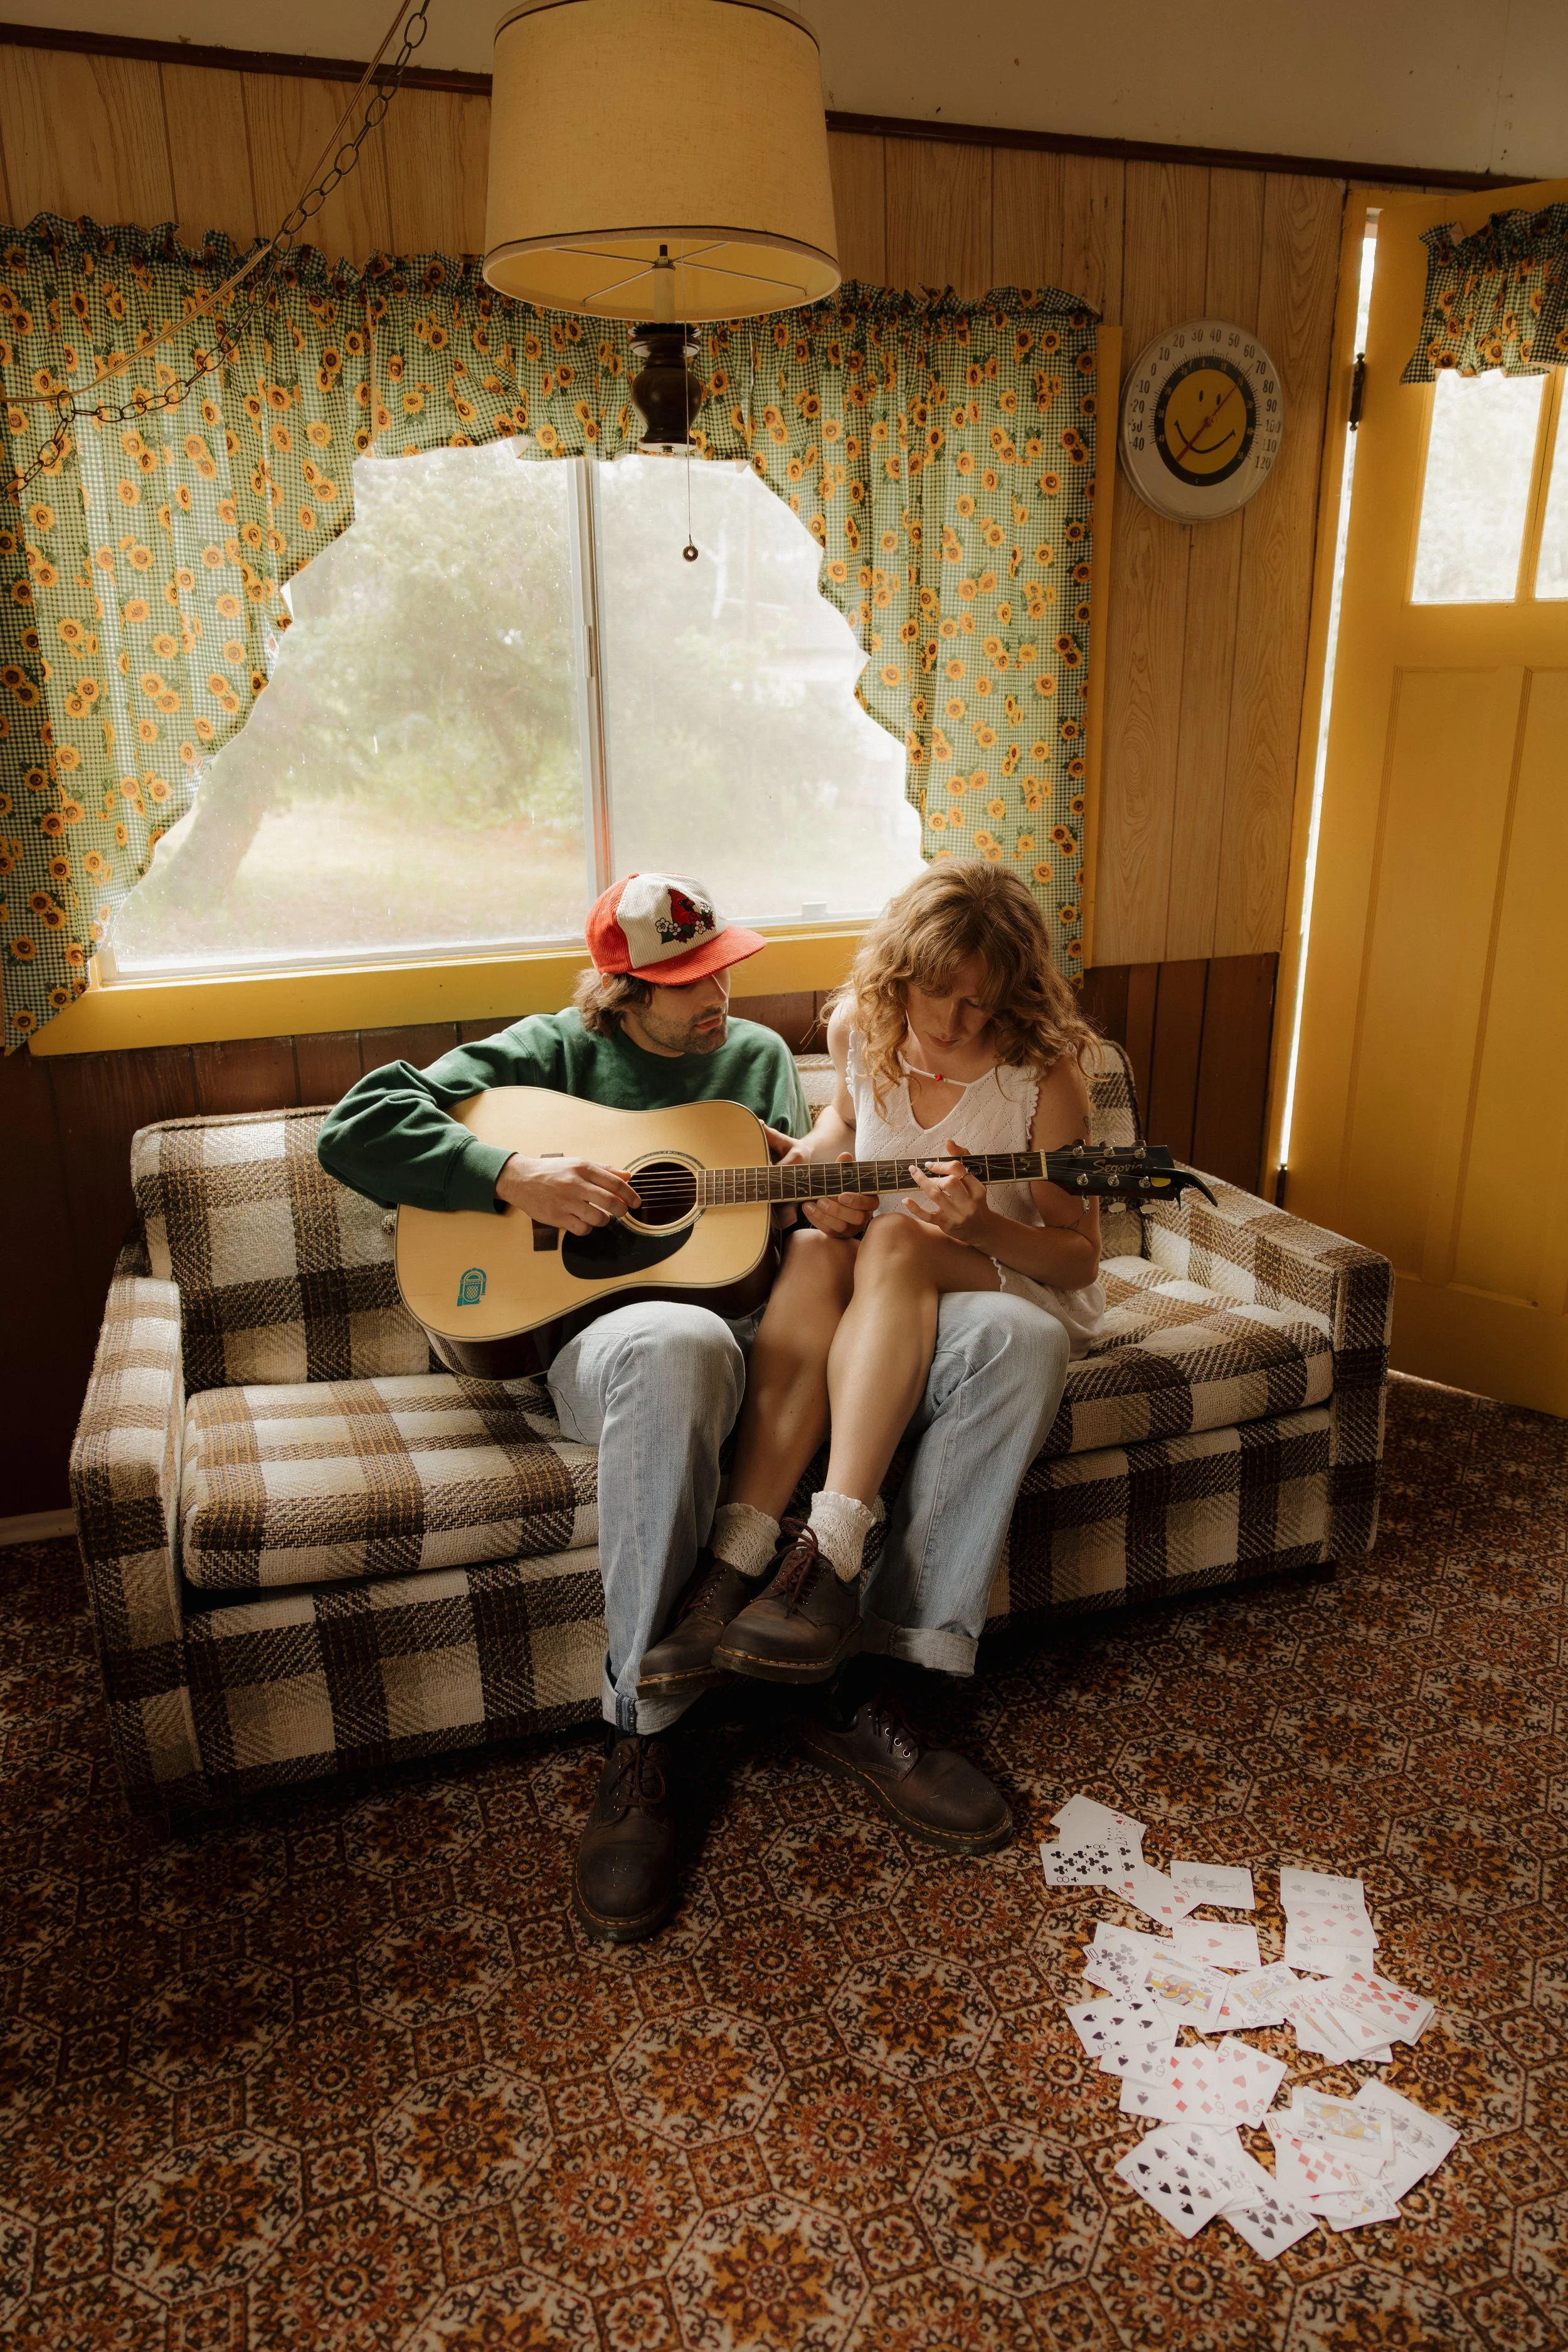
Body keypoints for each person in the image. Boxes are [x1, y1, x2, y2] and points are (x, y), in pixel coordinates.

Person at [316, 865, 1094, 1945]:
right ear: (621, 987)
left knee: (1004, 1338)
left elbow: (781, 1219)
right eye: (690, 982)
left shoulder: (756, 1059)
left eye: (723, 969)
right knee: (678, 1341)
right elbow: (357, 1125)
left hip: (765, 1324)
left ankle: (867, 1674)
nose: (720, 997)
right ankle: (648, 1729)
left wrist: (820, 1203)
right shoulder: (546, 1053)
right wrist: (511, 1174)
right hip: (594, 1337)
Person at [640, 859, 1104, 1852]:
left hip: (1003, 1279)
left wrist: (983, 1223)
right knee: (818, 1249)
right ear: (901, 972)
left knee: (893, 1238)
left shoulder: (1044, 1073)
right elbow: (842, 1130)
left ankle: (835, 1544)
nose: (958, 1020)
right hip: (888, 1281)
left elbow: (1079, 1255)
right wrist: (817, 1183)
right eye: (940, 992)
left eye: (982, 1000)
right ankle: (735, 1562)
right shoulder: (863, 1027)